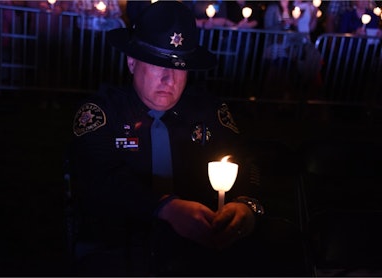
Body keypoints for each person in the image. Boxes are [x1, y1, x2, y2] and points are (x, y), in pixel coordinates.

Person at [69, 1, 309, 276]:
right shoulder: (102, 114)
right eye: (158, 64)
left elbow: (245, 160)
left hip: (198, 249)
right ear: (132, 61)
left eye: (180, 67)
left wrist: (246, 205)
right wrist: (164, 208)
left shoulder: (208, 111)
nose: (168, 79)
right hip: (119, 246)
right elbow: (97, 178)